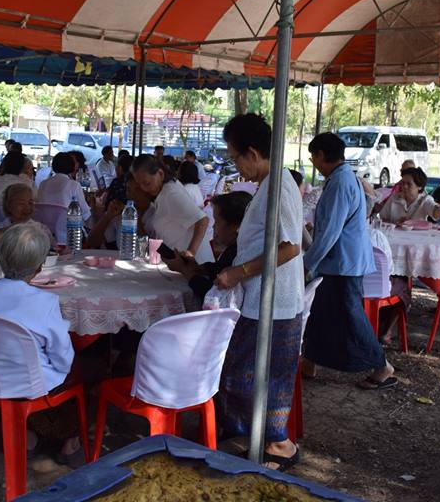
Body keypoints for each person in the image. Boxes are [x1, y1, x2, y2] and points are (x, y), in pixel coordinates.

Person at [213, 113, 304, 472]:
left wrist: (239, 272)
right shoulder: (269, 183)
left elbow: (290, 247)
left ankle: (279, 445)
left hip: (274, 300)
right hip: (261, 297)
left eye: (235, 157)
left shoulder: (278, 184)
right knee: (244, 374)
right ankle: (258, 438)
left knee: (246, 376)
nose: (236, 165)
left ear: (252, 152)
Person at [0, 222, 81, 462]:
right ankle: (68, 439)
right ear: (39, 267)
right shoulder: (44, 301)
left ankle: (29, 433)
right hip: (29, 385)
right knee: (93, 368)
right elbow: (63, 358)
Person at [302, 133, 396, 390]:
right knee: (319, 312)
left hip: (345, 263)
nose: (313, 163)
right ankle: (309, 360)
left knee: (352, 316)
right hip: (338, 262)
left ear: (321, 155)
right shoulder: (340, 178)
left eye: (313, 157)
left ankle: (382, 366)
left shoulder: (341, 182)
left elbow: (330, 231)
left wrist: (307, 263)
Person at [165, 191, 251, 304]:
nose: (214, 226)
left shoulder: (238, 253)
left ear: (234, 226)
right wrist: (200, 267)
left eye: (217, 221)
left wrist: (184, 270)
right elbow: (219, 268)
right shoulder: (236, 247)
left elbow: (211, 293)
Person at [132, 154, 212, 264]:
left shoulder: (171, 194)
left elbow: (202, 220)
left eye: (146, 183)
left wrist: (190, 252)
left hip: (197, 264)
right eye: (139, 184)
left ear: (160, 174)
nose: (143, 188)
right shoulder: (165, 191)